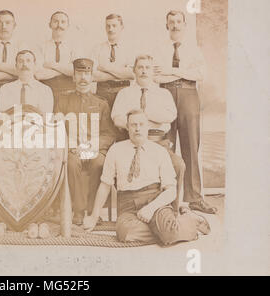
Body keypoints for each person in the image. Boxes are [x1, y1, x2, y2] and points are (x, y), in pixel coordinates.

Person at [83, 110, 211, 246]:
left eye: (141, 124)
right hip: (127, 206)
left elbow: (171, 190)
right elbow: (105, 185)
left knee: (168, 232)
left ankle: (189, 221)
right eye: (133, 125)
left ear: (148, 126)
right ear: (127, 127)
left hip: (155, 200)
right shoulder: (115, 150)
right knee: (126, 233)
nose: (137, 128)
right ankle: (169, 229)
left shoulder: (159, 151)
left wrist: (150, 208)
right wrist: (93, 216)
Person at [154, 10, 216, 214]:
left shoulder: (193, 49)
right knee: (166, 146)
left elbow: (201, 74)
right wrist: (181, 73)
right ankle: (166, 198)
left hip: (189, 95)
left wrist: (172, 71)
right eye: (171, 22)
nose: (175, 25)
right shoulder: (161, 48)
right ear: (166, 26)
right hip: (166, 96)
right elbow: (157, 77)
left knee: (191, 145)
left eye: (179, 21)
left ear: (184, 25)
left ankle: (195, 198)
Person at [111, 54, 185, 206]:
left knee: (178, 165)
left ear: (153, 71)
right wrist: (135, 125)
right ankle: (130, 207)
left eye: (147, 67)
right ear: (134, 70)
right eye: (140, 67)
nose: (144, 71)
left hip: (157, 143)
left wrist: (145, 115)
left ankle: (173, 208)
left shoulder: (163, 94)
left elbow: (170, 115)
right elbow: (117, 117)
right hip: (132, 142)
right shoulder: (124, 94)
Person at [56, 58, 117, 225]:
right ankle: (78, 210)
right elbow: (57, 129)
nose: (83, 78)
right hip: (73, 150)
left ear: (92, 77)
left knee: (99, 162)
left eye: (87, 74)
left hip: (93, 149)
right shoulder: (62, 101)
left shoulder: (101, 103)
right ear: (73, 77)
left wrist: (92, 145)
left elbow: (109, 134)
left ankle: (92, 211)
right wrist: (72, 145)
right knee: (71, 163)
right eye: (79, 73)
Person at [35, 11, 81, 108]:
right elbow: (38, 74)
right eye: (55, 21)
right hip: (45, 92)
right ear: (50, 25)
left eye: (63, 22)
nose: (59, 25)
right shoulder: (40, 46)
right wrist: (66, 68)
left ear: (68, 25)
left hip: (70, 92)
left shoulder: (75, 46)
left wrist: (52, 65)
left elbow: (77, 71)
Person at [91, 14, 134, 109]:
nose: (110, 29)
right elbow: (92, 75)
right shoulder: (97, 48)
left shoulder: (130, 48)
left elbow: (132, 74)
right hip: (102, 92)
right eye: (108, 26)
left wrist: (105, 68)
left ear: (122, 27)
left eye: (114, 26)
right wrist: (120, 73)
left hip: (123, 91)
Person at [0, 50, 54, 114]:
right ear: (16, 66)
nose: (24, 64)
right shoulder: (5, 89)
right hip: (12, 123)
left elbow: (45, 118)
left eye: (28, 61)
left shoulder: (45, 90)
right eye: (21, 61)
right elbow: (3, 116)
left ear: (35, 65)